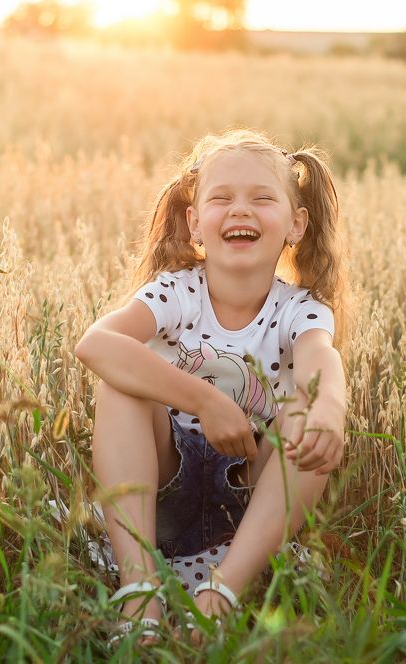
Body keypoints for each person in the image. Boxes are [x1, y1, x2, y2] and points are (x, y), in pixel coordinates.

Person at [74, 128, 347, 646]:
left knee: (304, 413)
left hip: (247, 513)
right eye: (221, 199)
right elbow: (95, 344)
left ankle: (221, 594)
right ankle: (141, 596)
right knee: (121, 385)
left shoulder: (301, 310)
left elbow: (321, 361)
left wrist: (329, 407)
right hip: (163, 492)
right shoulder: (177, 293)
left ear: (295, 224)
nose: (240, 210)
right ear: (195, 222)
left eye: (262, 198)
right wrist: (206, 401)